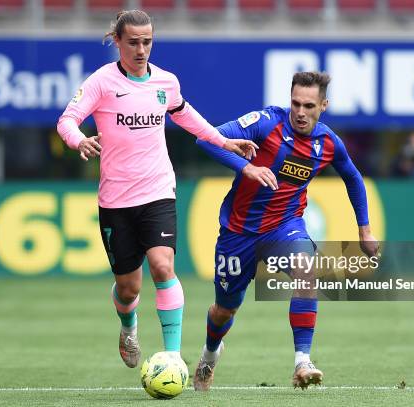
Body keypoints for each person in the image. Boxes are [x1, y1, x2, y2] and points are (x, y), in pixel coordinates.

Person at [56, 10, 257, 370]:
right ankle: (128, 326)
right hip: (116, 199)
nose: (141, 49)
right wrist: (78, 141)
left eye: (147, 41)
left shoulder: (166, 82)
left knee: (163, 266)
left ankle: (172, 357)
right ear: (117, 41)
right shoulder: (101, 82)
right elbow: (67, 120)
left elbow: (186, 115)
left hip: (158, 190)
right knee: (129, 288)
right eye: (132, 42)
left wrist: (224, 142)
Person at [192, 72, 379, 390]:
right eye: (295, 103)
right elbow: (206, 139)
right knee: (224, 309)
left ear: (323, 106)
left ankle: (302, 361)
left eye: (309, 105)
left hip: (284, 227)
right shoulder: (266, 122)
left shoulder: (328, 143)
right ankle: (210, 354)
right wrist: (246, 167)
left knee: (308, 271)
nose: (300, 112)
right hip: (238, 232)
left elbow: (353, 178)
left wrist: (365, 230)